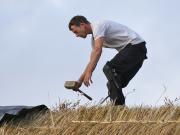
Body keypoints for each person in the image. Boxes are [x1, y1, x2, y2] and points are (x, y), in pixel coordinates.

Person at [68, 15, 147, 105]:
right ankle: (119, 109)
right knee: (113, 83)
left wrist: (89, 72)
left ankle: (117, 107)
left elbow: (98, 51)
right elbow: (92, 61)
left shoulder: (98, 26)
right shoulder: (94, 39)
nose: (76, 35)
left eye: (76, 31)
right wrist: (79, 81)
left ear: (82, 25)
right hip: (136, 54)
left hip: (136, 46)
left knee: (109, 68)